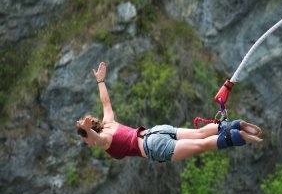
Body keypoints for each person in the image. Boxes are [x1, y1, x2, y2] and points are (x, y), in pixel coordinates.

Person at [76, 62, 263, 162]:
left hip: (153, 147)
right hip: (156, 130)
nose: (88, 143)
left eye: (85, 140)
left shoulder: (104, 140)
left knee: (201, 145)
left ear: (87, 136)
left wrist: (88, 130)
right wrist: (100, 81)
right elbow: (106, 102)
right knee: (199, 134)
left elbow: (98, 140)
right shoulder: (109, 122)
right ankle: (235, 125)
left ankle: (238, 136)